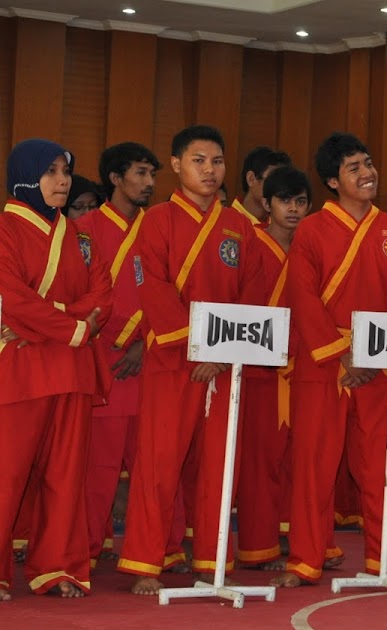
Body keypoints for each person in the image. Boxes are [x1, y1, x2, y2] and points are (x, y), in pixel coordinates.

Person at [118, 125, 264, 595]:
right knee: (158, 464)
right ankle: (144, 562)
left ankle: (211, 559)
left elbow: (253, 295)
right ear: (177, 165)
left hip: (223, 367)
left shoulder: (240, 227)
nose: (209, 170)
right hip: (172, 362)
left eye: (217, 161)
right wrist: (196, 347)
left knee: (218, 466)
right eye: (199, 161)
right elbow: (152, 289)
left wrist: (220, 353)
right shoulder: (156, 220)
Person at [273, 132, 387, 587]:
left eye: (369, 162)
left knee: (381, 464)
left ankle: (385, 560)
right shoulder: (313, 230)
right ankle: (305, 560)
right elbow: (304, 295)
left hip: (376, 367)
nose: (367, 172)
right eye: (354, 166)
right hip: (324, 365)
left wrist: (379, 354)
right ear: (333, 181)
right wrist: (341, 355)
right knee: (314, 465)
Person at [0, 139, 111, 600]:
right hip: (23, 369)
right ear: (26, 176)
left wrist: (65, 323)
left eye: (65, 170)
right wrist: (72, 325)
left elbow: (102, 296)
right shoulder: (5, 229)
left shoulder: (82, 236)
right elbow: (12, 298)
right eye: (50, 171)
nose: (62, 181)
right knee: (6, 474)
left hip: (72, 368)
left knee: (67, 475)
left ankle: (59, 568)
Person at [75, 142, 160, 568]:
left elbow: (175, 290)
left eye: (151, 175)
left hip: (153, 359)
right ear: (115, 178)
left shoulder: (161, 226)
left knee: (154, 465)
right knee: (99, 468)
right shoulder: (85, 227)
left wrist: (146, 342)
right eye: (140, 173)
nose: (148, 183)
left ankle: (160, 549)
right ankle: (89, 548)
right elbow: (80, 292)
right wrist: (110, 339)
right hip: (103, 358)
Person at [235, 166, 309, 570]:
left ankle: (300, 540)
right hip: (260, 370)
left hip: (305, 369)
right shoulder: (251, 244)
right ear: (267, 204)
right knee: (260, 464)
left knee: (302, 461)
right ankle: (259, 547)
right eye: (285, 201)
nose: (293, 210)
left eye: (301, 202)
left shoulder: (312, 247)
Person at [233, 147, 292, 226]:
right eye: (273, 179)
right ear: (251, 179)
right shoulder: (228, 220)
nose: (279, 187)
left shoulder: (282, 225)